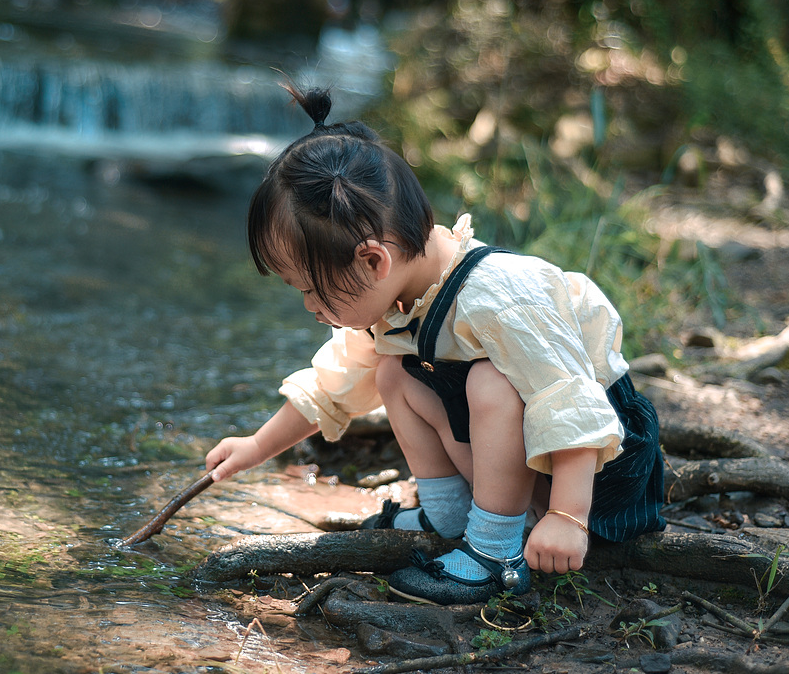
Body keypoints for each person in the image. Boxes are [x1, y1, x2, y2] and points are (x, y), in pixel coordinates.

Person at [205, 81, 665, 606]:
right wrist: (256, 448)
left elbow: (570, 400)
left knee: (492, 379)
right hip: (535, 466)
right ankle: (450, 513)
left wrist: (567, 518)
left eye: (310, 288)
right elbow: (336, 381)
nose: (309, 305)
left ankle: (494, 551)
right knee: (392, 371)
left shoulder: (498, 299)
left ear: (373, 260)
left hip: (598, 474)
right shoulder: (398, 300)